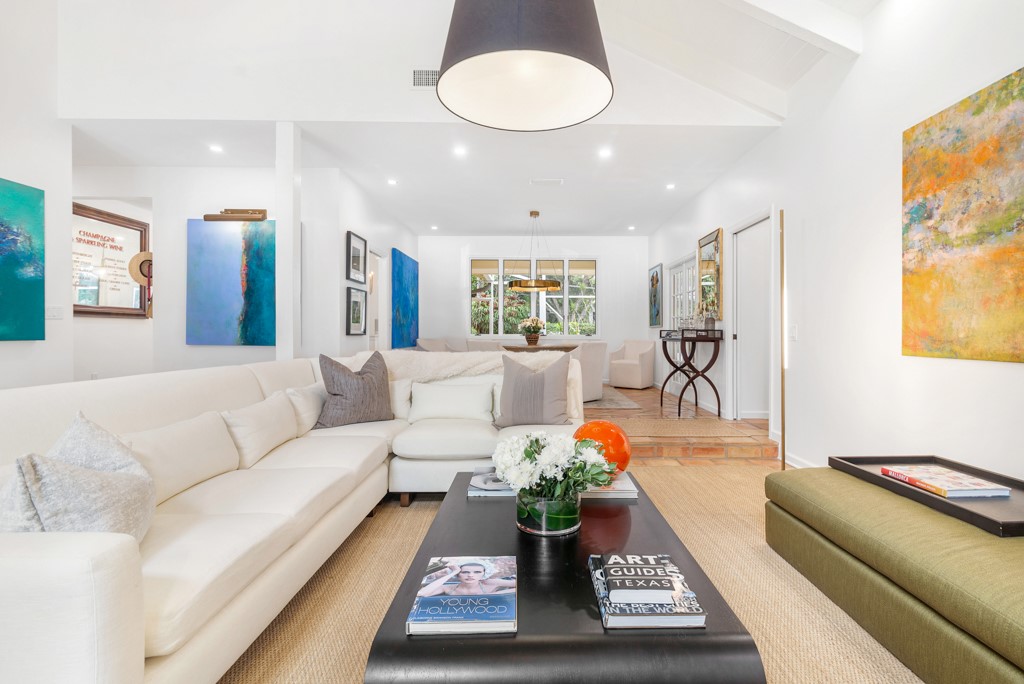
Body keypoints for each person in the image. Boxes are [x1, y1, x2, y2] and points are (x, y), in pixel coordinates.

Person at [417, 559, 516, 596]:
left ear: (483, 574)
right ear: (458, 574)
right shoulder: (448, 588)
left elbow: (519, 587)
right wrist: (453, 572)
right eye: (465, 572)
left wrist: (496, 594)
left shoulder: (489, 583)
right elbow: (422, 593)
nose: (470, 575)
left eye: (477, 572)